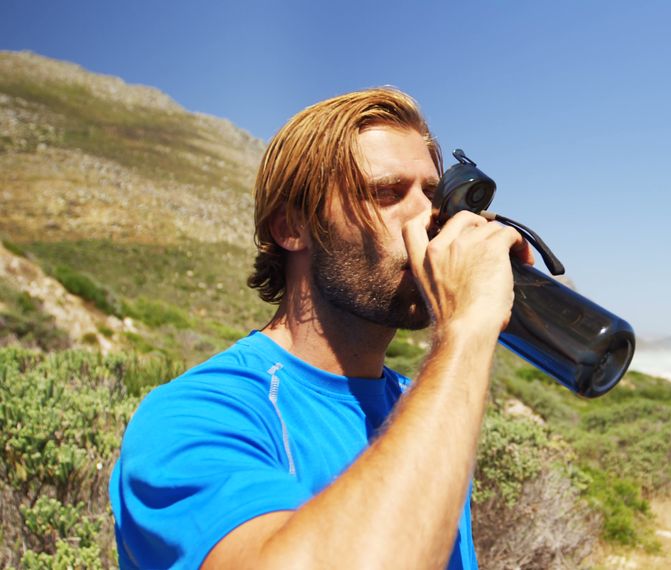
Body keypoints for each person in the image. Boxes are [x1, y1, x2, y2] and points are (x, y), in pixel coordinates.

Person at [110, 87, 533, 569]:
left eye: (432, 196)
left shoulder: (425, 403)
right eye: (386, 193)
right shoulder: (195, 417)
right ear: (292, 227)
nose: (427, 219)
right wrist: (465, 331)